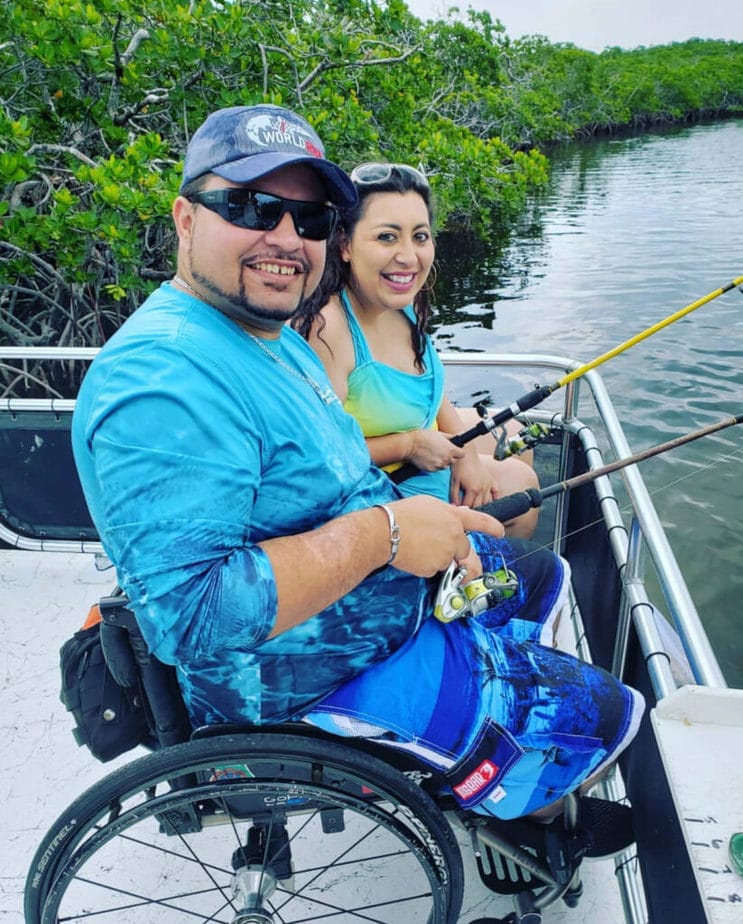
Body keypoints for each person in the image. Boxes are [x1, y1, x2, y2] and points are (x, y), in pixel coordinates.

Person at [71, 103, 643, 823]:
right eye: (249, 207)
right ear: (186, 220)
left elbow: (327, 477)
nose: (284, 237)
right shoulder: (164, 382)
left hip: (382, 611)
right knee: (609, 713)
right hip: (299, 681)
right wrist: (389, 534)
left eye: (309, 220)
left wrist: (424, 520)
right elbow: (195, 618)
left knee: (540, 576)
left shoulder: (264, 333)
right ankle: (523, 805)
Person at [293, 162, 539, 538]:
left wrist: (467, 453)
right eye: (387, 237)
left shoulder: (401, 302)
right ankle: (490, 569)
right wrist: (407, 446)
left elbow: (429, 385)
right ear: (345, 245)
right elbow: (315, 457)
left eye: (419, 236)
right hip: (380, 489)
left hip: (421, 445)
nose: (408, 256)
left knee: (513, 434)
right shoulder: (328, 331)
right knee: (522, 481)